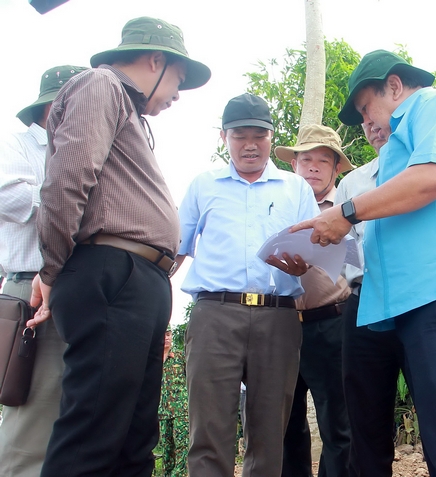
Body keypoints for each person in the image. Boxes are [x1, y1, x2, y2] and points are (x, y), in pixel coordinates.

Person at [292, 50, 436, 476]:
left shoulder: (435, 104)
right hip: (414, 302)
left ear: (394, 85)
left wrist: (346, 212)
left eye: (367, 107)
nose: (368, 122)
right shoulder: (395, 150)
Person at [28, 17, 210, 477]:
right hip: (111, 270)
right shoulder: (100, 85)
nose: (175, 96)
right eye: (178, 81)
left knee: (133, 440)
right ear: (155, 60)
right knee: (93, 432)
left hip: (141, 280)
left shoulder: (131, 113)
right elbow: (66, 182)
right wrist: (51, 271)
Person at [176, 93, 320, 477]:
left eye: (260, 134)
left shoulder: (296, 189)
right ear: (224, 137)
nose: (250, 144)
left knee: (270, 434)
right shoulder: (203, 186)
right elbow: (174, 251)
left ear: (273, 137)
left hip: (278, 318)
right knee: (208, 430)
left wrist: (303, 263)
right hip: (214, 315)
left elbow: (311, 257)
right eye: (240, 134)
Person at [0, 64, 86, 477]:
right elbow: (9, 198)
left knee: (71, 413)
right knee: (30, 413)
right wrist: (68, 190)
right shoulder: (16, 145)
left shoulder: (86, 151)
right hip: (29, 295)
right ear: (57, 105)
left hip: (79, 293)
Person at [275, 124, 353, 477]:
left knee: (338, 424)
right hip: (280, 325)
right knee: (286, 426)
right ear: (294, 164)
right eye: (306, 159)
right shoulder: (278, 206)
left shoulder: (350, 209)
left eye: (324, 160)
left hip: (333, 323)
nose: (313, 167)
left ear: (337, 168)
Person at [334, 122, 406, 477]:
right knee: (365, 418)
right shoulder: (351, 183)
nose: (373, 127)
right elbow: (345, 244)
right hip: (363, 301)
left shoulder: (420, 171)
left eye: (381, 118)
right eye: (364, 121)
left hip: (418, 301)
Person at [158, 327, 190, 477]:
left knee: (183, 449)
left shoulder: (179, 357)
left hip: (181, 412)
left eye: (169, 334)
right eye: (164, 334)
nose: (167, 337)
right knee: (166, 453)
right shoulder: (153, 360)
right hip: (161, 413)